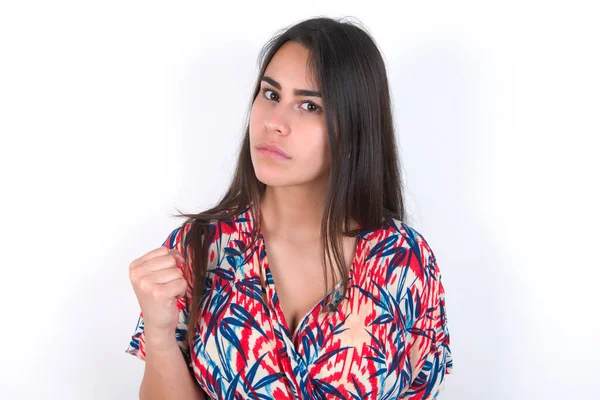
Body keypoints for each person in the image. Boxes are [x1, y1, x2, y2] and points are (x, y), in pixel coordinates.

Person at [126, 16, 453, 400]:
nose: (275, 123)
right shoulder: (200, 248)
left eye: (309, 105)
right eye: (271, 94)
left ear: (353, 126)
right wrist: (160, 335)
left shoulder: (402, 261)